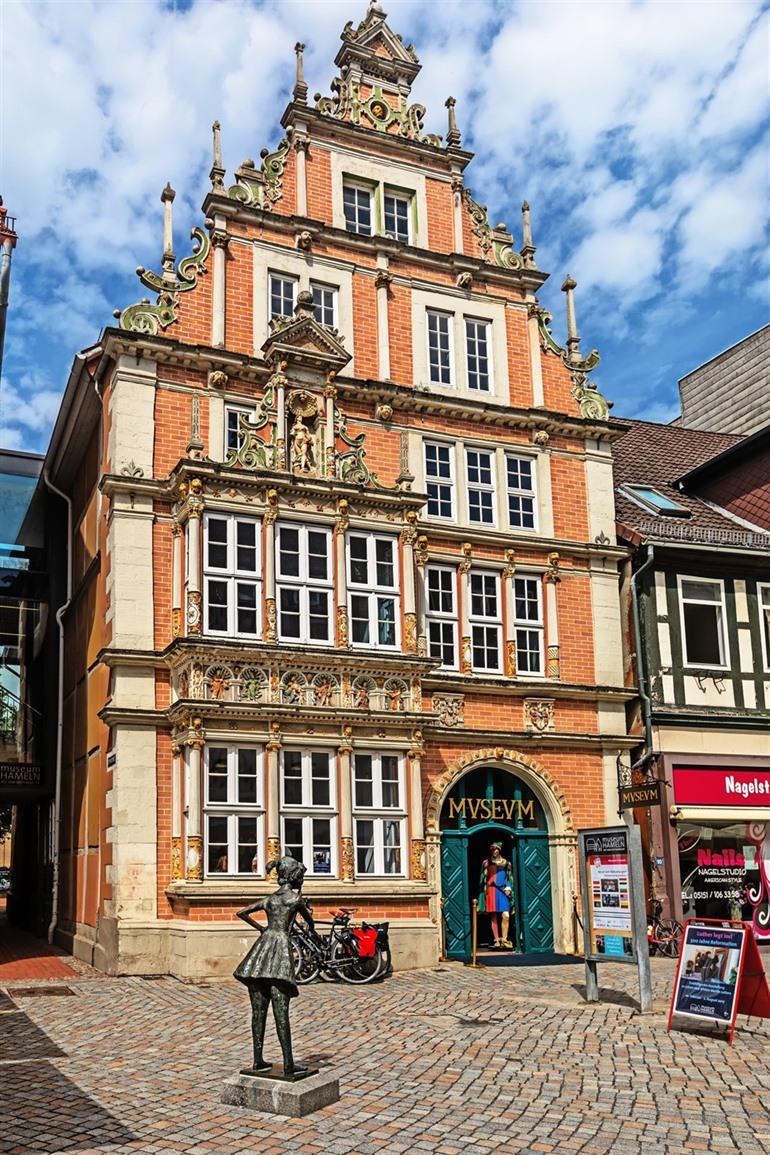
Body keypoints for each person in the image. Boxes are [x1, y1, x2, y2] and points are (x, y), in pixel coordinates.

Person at [234, 854, 314, 1077]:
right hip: (278, 951)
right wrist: (307, 908)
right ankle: (288, 1063)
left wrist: (261, 929)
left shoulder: (269, 899)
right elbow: (310, 923)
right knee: (281, 1012)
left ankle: (258, 1060)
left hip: (260, 952)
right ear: (294, 877)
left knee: (258, 1011)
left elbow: (242, 913)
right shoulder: (295, 900)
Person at [478, 841, 515, 949]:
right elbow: (482, 878)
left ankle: (504, 939)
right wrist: (485, 881)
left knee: (505, 915)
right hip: (492, 890)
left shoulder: (506, 863)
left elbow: (509, 877)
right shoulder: (486, 862)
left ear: (499, 850)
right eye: (493, 850)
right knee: (493, 916)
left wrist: (508, 887)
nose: (494, 851)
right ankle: (496, 939)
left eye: (496, 849)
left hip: (502, 891)